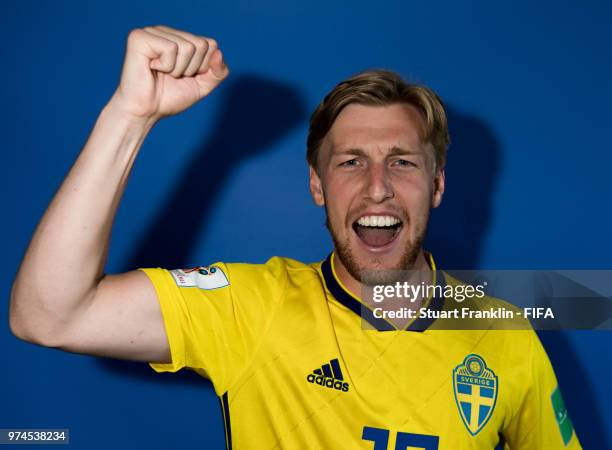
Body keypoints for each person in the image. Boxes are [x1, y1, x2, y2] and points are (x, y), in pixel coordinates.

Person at [9, 25, 581, 449]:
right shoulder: (255, 308)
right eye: (351, 161)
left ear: (436, 185)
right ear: (316, 185)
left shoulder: (505, 335)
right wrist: (129, 116)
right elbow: (48, 315)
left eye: (402, 163)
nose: (377, 188)